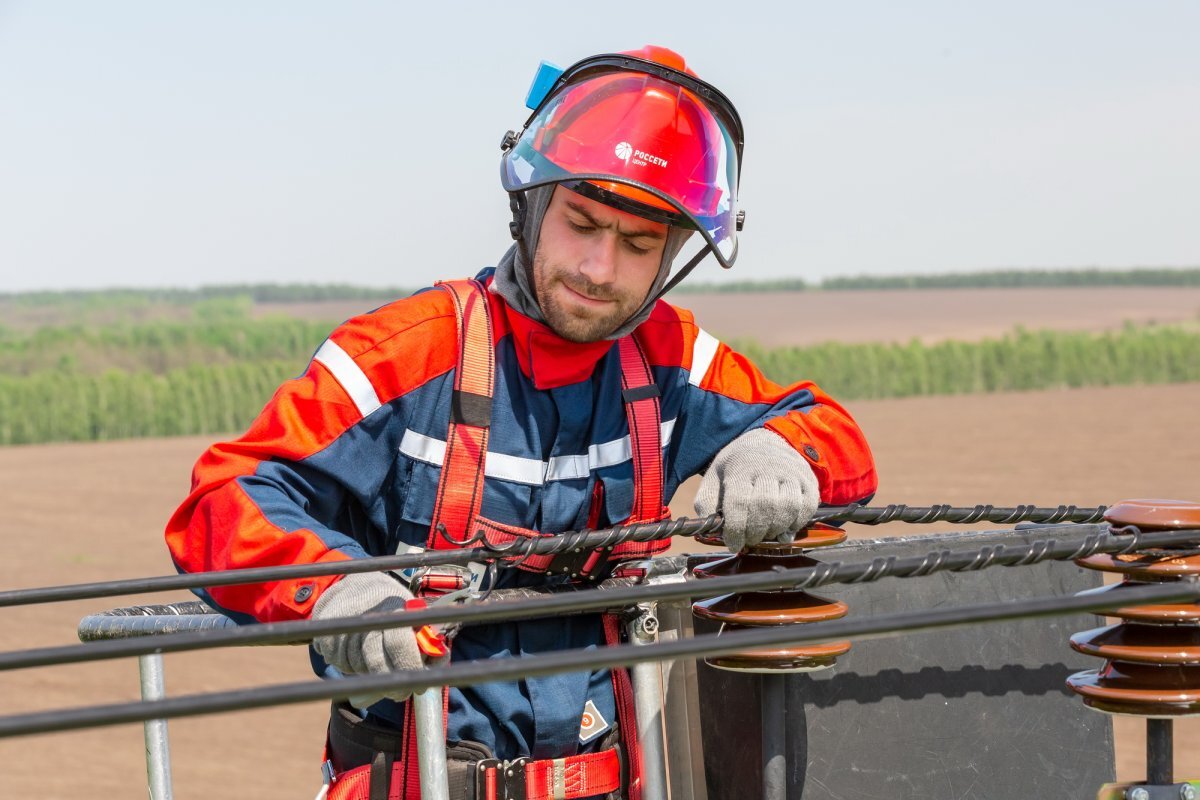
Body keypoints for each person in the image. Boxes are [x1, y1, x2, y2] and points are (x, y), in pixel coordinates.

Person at [165, 45, 877, 800]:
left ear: (673, 256)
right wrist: (333, 593)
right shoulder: (406, 356)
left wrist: (775, 447)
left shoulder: (668, 360)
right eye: (582, 223)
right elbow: (222, 501)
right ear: (530, 203)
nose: (600, 268)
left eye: (638, 244)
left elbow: (833, 436)